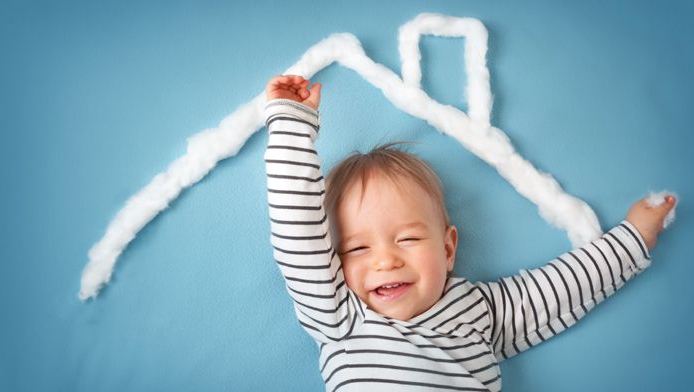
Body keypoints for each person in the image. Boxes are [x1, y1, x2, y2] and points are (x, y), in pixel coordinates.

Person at [263, 74, 676, 392]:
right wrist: (291, 126)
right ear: (333, 261)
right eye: (357, 248)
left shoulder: (479, 310)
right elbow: (295, 225)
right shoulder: (340, 315)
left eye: (407, 238)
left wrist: (632, 238)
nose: (386, 259)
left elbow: (556, 290)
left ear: (448, 249)